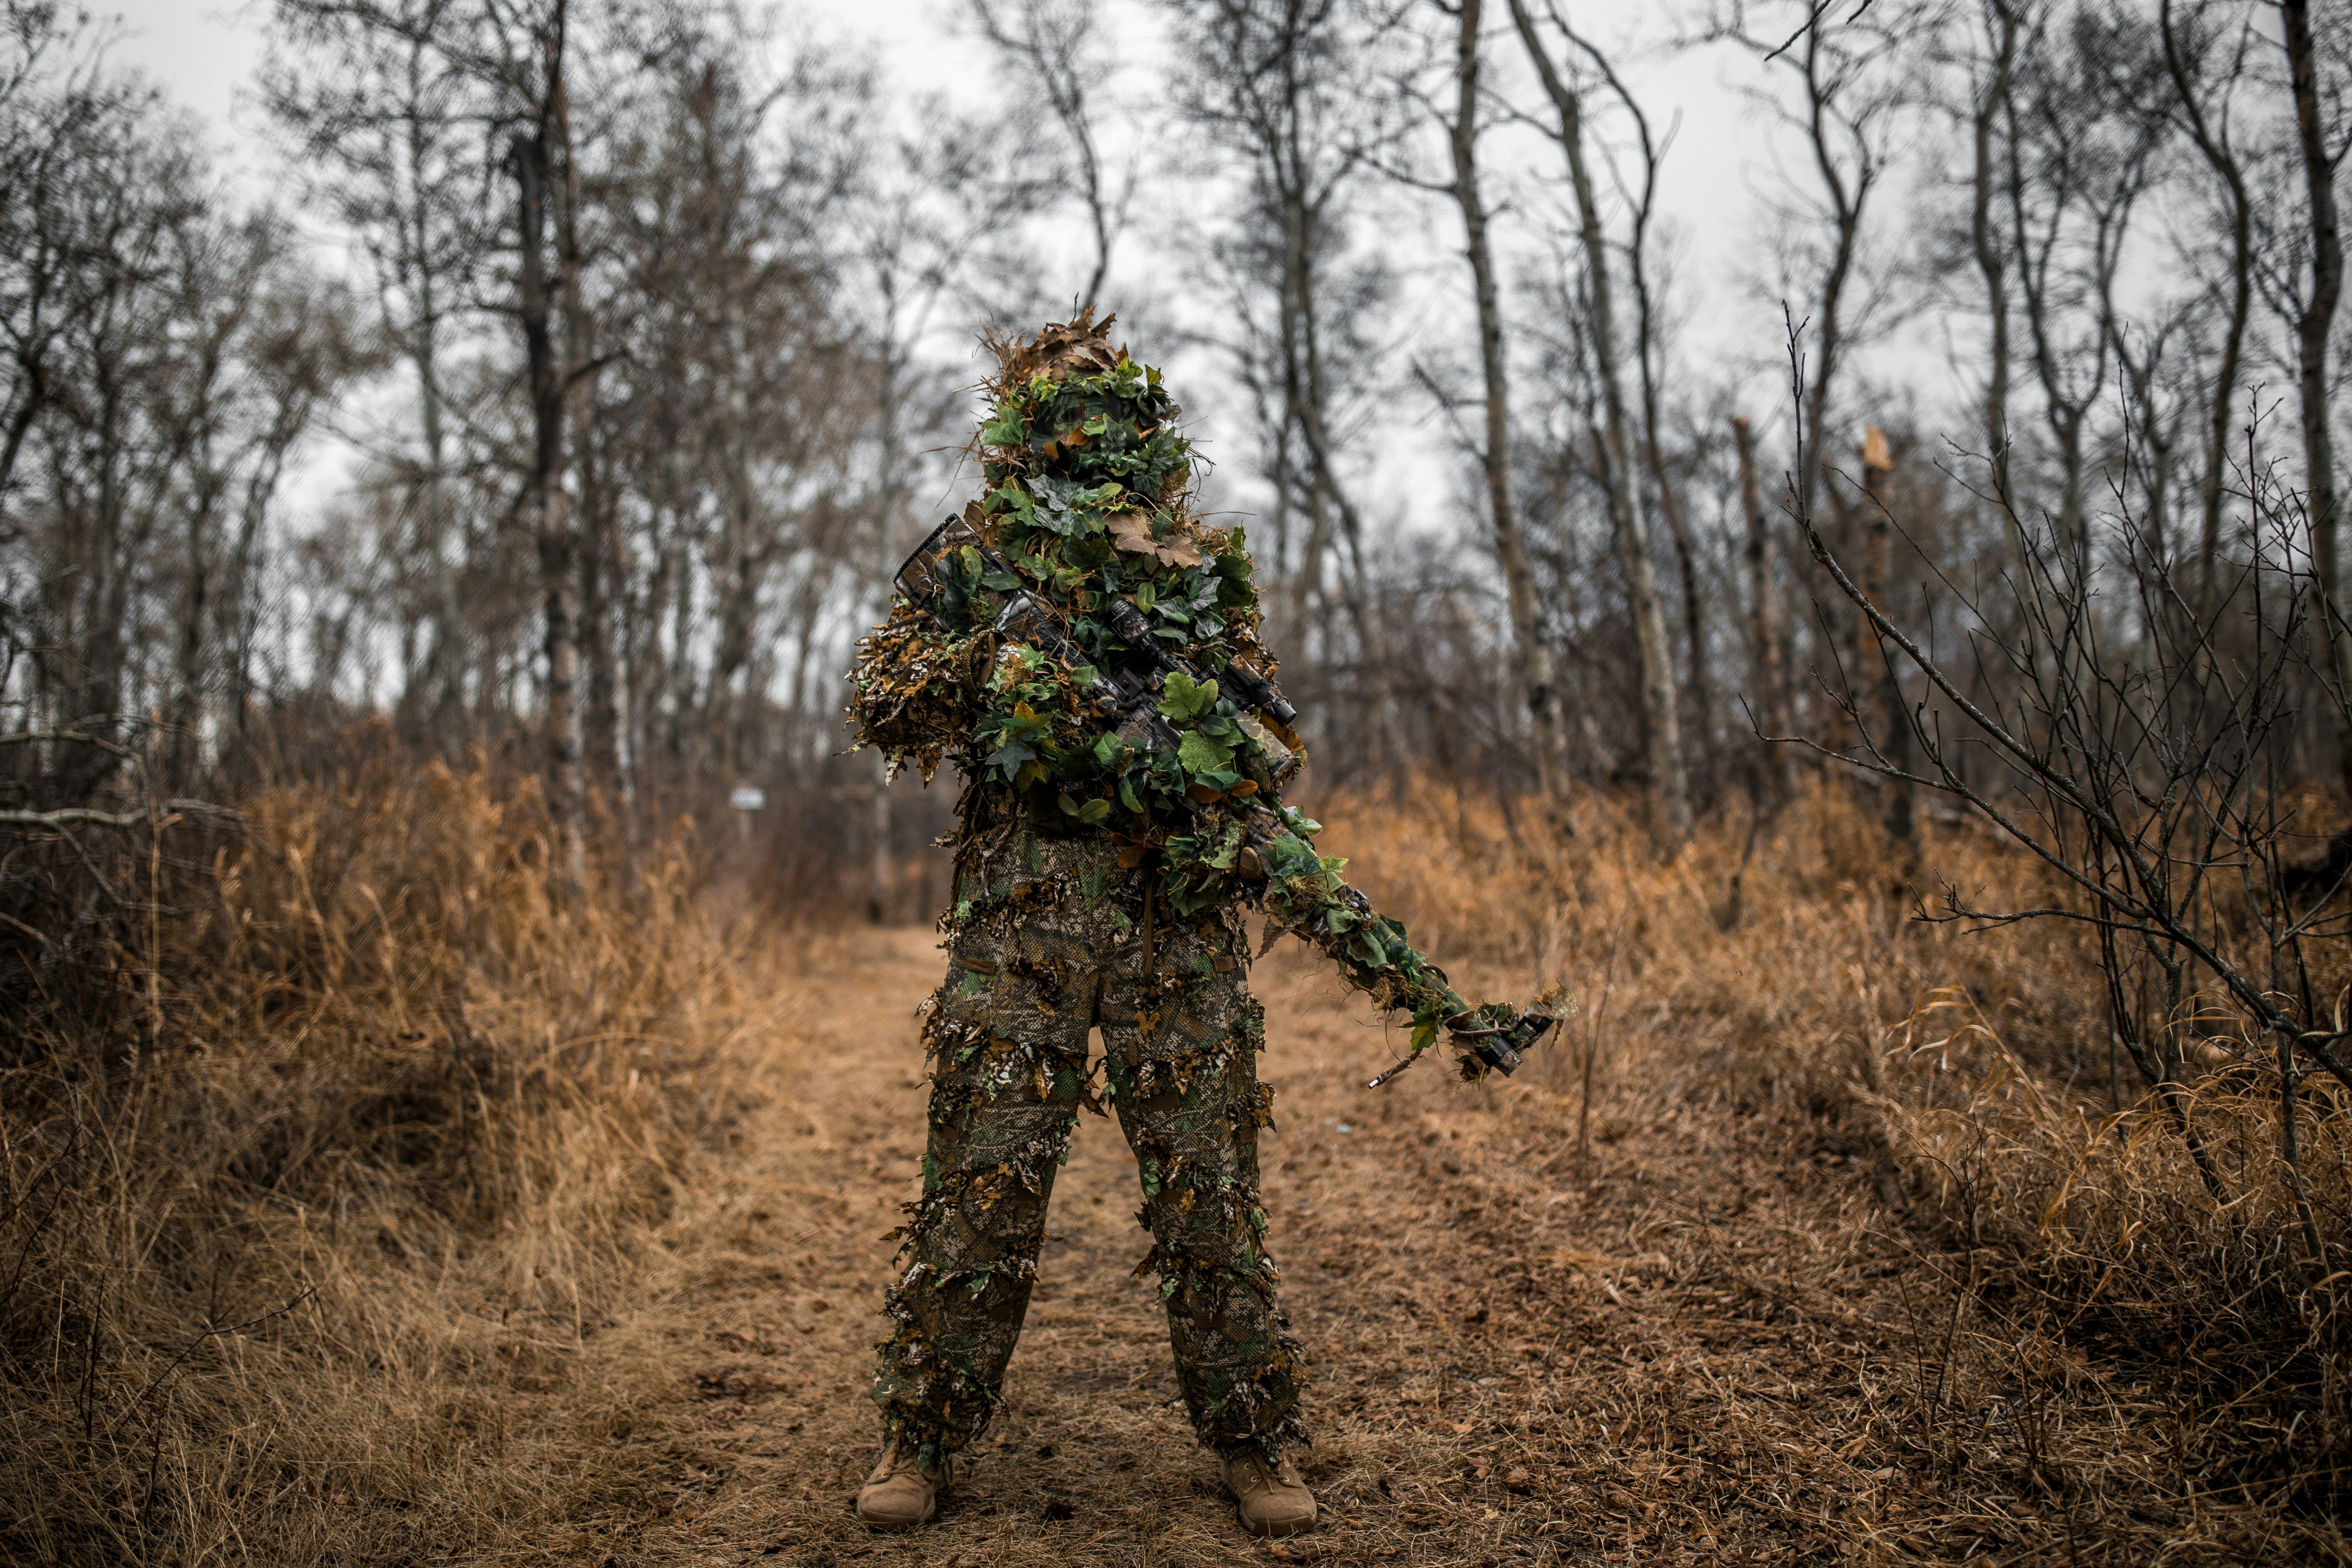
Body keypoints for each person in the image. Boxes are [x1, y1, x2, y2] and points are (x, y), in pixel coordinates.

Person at [843, 312, 1544, 1539]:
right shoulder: (973, 560)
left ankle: (1255, 1440)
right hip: (1022, 920)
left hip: (1179, 920)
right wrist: (989, 673)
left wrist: (1193, 776)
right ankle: (925, 1435)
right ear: (1018, 418)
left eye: (1106, 399)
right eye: (1059, 400)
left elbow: (1249, 737)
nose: (1086, 422)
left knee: (1210, 1197)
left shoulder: (1189, 563)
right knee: (980, 1189)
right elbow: (882, 698)